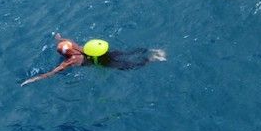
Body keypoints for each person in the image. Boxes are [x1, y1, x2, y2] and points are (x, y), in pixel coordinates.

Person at [20, 34, 166, 86]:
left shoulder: (70, 62)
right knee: (125, 53)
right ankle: (151, 51)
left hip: (102, 62)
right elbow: (66, 40)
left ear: (63, 54)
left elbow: (51, 73)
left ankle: (151, 60)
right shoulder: (75, 45)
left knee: (125, 65)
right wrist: (59, 38)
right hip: (104, 52)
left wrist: (32, 80)